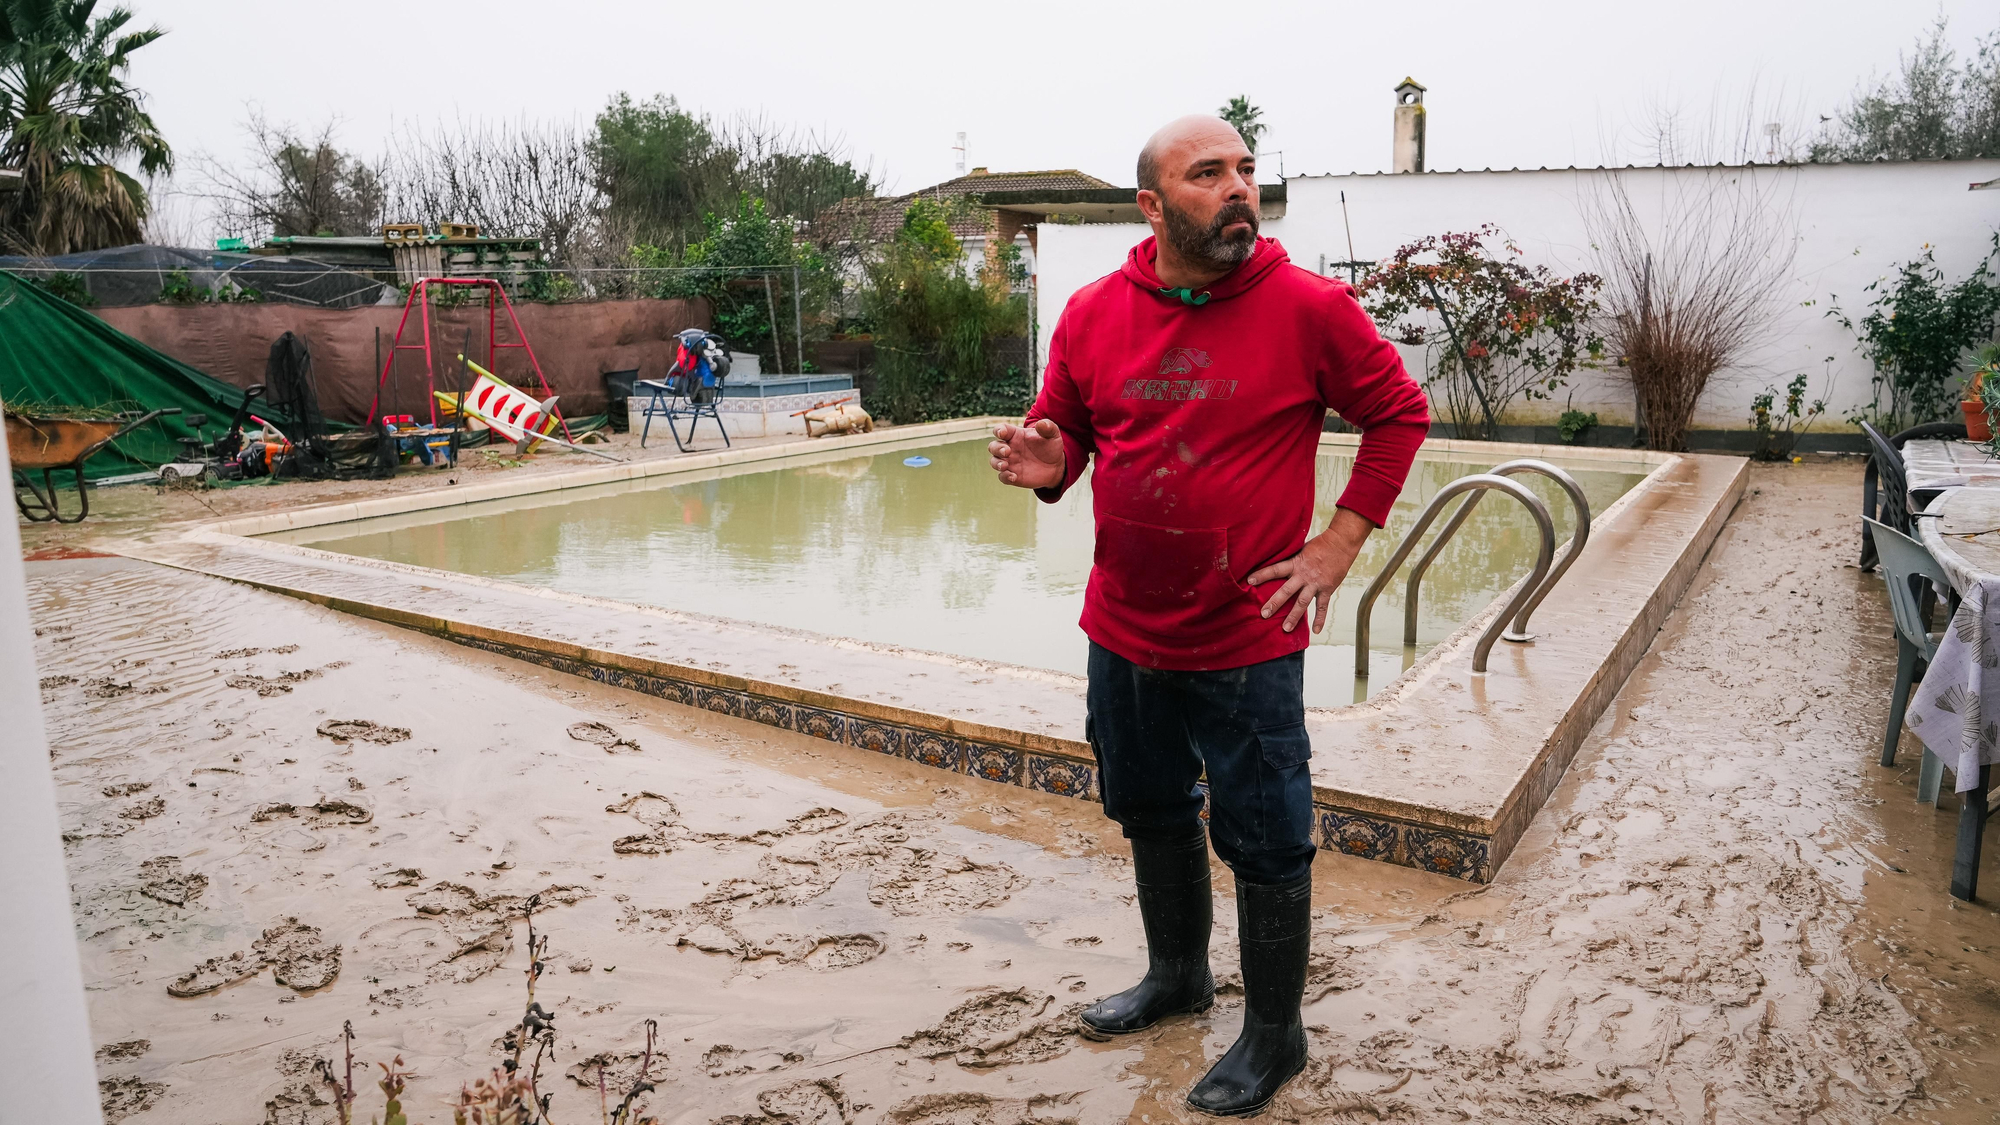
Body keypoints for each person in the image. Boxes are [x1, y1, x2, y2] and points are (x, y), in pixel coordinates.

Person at [989, 115, 1430, 1117]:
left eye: (1243, 170)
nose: (1237, 188)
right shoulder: (1096, 311)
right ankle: (1175, 978)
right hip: (1124, 627)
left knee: (1266, 838)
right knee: (1147, 808)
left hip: (1243, 634)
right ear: (1150, 206)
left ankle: (1274, 1035)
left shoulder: (1309, 308)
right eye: (1206, 174)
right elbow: (1069, 432)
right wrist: (1045, 464)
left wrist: (1337, 543)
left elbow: (1397, 413)